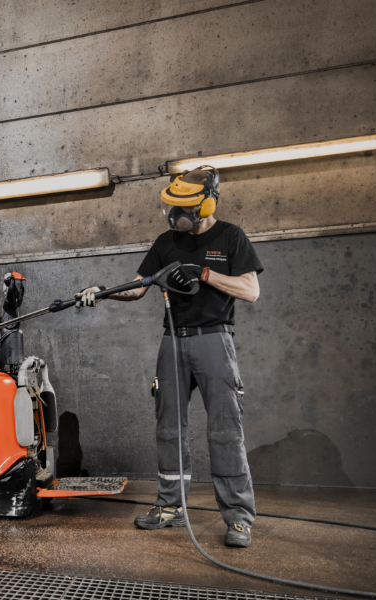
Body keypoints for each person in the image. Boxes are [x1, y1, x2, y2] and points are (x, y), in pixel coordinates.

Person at [75, 166, 263, 548]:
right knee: (168, 429)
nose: (175, 216)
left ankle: (239, 517)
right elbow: (139, 287)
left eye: (183, 209)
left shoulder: (230, 236)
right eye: (171, 208)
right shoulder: (165, 241)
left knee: (225, 431)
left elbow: (250, 290)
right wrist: (105, 291)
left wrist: (205, 274)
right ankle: (170, 507)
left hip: (214, 340)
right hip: (172, 341)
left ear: (206, 203)